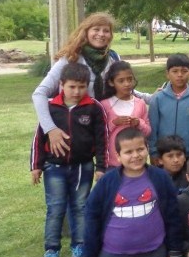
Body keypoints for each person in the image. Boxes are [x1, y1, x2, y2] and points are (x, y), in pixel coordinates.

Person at [80, 128, 183, 257]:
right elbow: (92, 219)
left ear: (147, 149)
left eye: (140, 149)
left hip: (152, 252)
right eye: (128, 152)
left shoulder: (160, 178)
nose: (136, 155)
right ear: (118, 156)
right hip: (114, 252)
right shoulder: (107, 182)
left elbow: (173, 216)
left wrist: (175, 250)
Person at [30, 62, 107, 257]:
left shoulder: (93, 107)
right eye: (72, 86)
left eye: (81, 86)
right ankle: (51, 250)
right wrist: (35, 166)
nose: (76, 91)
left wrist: (101, 166)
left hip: (83, 167)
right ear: (61, 84)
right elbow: (39, 138)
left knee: (80, 207)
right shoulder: (50, 107)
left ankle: (78, 247)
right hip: (53, 168)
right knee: (55, 209)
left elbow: (102, 139)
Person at [32, 13, 124, 161]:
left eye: (106, 30)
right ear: (86, 32)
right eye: (96, 29)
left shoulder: (113, 58)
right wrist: (50, 129)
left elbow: (123, 88)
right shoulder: (70, 58)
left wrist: (151, 97)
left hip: (103, 129)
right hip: (75, 132)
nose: (101, 34)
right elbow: (39, 94)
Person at [148, 54, 189, 162]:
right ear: (167, 74)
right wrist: (153, 152)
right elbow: (153, 129)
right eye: (175, 71)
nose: (180, 75)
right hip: (164, 155)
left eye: (184, 71)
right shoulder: (158, 99)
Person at [100, 61, 151, 168]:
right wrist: (114, 123)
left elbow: (148, 131)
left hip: (136, 161)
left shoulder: (140, 103)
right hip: (113, 163)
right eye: (121, 81)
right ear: (111, 82)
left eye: (129, 79)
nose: (127, 84)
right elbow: (100, 134)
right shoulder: (105, 105)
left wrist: (138, 123)